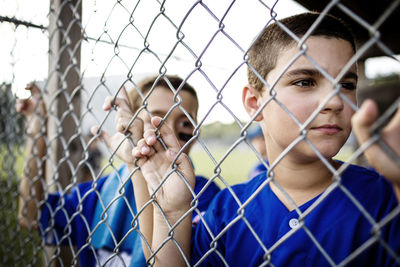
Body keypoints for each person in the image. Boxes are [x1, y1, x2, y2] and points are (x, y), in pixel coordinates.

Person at [131, 12, 400, 266]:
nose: (334, 101)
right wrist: (173, 211)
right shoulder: (228, 210)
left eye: (346, 85)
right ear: (254, 103)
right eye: (305, 82)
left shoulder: (386, 197)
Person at [16, 76, 220, 266]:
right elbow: (30, 216)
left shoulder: (205, 196)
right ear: (130, 121)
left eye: (185, 123)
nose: (173, 132)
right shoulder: (100, 193)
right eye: (157, 118)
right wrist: (36, 134)